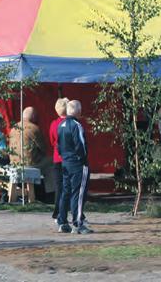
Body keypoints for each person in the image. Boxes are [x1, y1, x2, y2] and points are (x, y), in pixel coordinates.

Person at [57, 100, 92, 235]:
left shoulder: (61, 125)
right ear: (78, 111)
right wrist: (83, 160)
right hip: (77, 164)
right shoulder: (77, 125)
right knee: (79, 193)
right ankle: (78, 224)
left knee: (65, 192)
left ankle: (62, 222)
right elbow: (81, 146)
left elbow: (58, 145)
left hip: (65, 162)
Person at [48, 98, 68, 222]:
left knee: (59, 187)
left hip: (57, 158)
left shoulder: (53, 124)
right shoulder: (72, 124)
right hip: (68, 159)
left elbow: (51, 141)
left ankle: (57, 212)